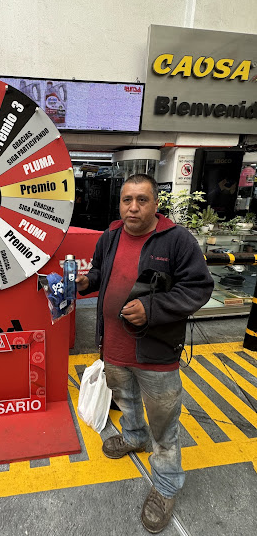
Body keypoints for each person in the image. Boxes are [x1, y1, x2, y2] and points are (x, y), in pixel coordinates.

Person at [76, 174, 213, 534]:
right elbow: (101, 271)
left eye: (142, 200)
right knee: (126, 400)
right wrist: (87, 281)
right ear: (119, 203)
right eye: (127, 200)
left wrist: (152, 308)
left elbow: (198, 287)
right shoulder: (111, 235)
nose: (133, 207)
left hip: (157, 355)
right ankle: (135, 437)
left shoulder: (177, 240)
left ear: (156, 204)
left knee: (164, 425)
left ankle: (166, 486)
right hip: (114, 348)